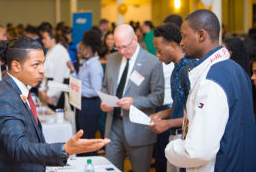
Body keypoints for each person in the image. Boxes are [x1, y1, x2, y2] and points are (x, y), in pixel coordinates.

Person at [0, 36, 110, 172]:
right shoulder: (5, 97)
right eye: (36, 64)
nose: (42, 70)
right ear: (16, 66)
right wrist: (65, 149)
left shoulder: (12, 89)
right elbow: (17, 147)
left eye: (42, 63)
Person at [165, 9, 256, 172]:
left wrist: (171, 149)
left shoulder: (211, 80)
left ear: (201, 35)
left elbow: (197, 151)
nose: (182, 43)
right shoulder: (237, 69)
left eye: (184, 36)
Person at [101, 24, 164, 172]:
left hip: (139, 128)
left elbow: (158, 97)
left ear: (135, 39)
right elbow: (105, 87)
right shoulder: (112, 58)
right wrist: (105, 101)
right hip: (113, 126)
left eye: (125, 46)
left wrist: (134, 102)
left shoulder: (152, 62)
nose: (122, 51)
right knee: (111, 169)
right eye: (118, 47)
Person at [148, 23, 195, 172]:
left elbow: (195, 115)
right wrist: (162, 114)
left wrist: (167, 124)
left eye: (159, 50)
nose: (157, 55)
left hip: (187, 138)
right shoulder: (175, 69)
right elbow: (181, 106)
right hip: (175, 136)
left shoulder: (190, 70)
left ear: (173, 46)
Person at [67, 30, 104, 155]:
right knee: (81, 139)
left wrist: (77, 91)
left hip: (90, 106)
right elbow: (79, 82)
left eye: (82, 47)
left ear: (88, 48)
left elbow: (96, 91)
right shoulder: (86, 64)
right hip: (83, 104)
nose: (79, 50)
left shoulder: (95, 66)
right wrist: (72, 71)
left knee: (87, 140)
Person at [39, 29, 70, 110]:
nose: (43, 41)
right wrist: (42, 89)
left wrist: (51, 94)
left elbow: (59, 76)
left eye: (45, 38)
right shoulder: (50, 51)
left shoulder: (61, 51)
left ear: (53, 39)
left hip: (60, 89)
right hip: (50, 86)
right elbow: (45, 72)